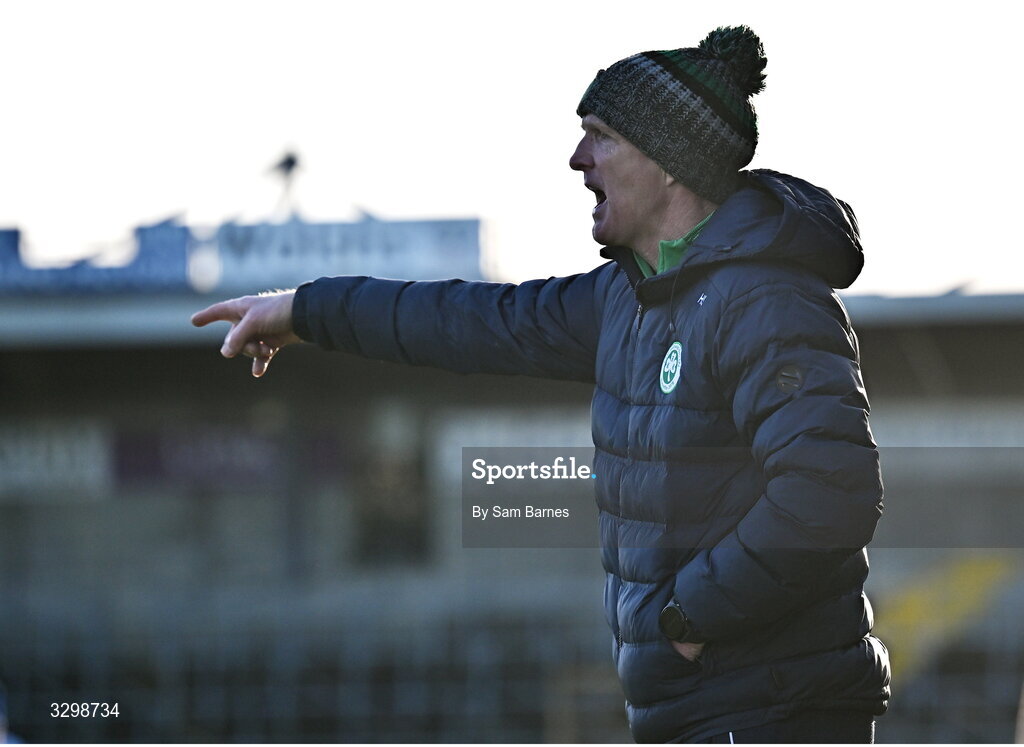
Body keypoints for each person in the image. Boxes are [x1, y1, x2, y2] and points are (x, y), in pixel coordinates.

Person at [193, 26, 890, 743]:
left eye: (601, 135)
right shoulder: (626, 299)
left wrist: (686, 619)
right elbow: (466, 320)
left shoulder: (766, 301)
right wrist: (305, 309)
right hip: (698, 713)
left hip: (771, 715)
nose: (576, 158)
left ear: (671, 163)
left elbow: (828, 493)